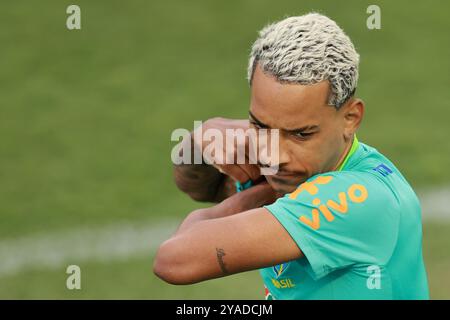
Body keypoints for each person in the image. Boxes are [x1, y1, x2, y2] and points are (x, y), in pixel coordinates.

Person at [153, 13, 429, 299]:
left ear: (350, 118)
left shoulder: (359, 199)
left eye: (301, 134)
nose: (276, 155)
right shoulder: (297, 167)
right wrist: (199, 141)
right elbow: (199, 186)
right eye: (260, 125)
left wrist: (261, 195)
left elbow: (174, 259)